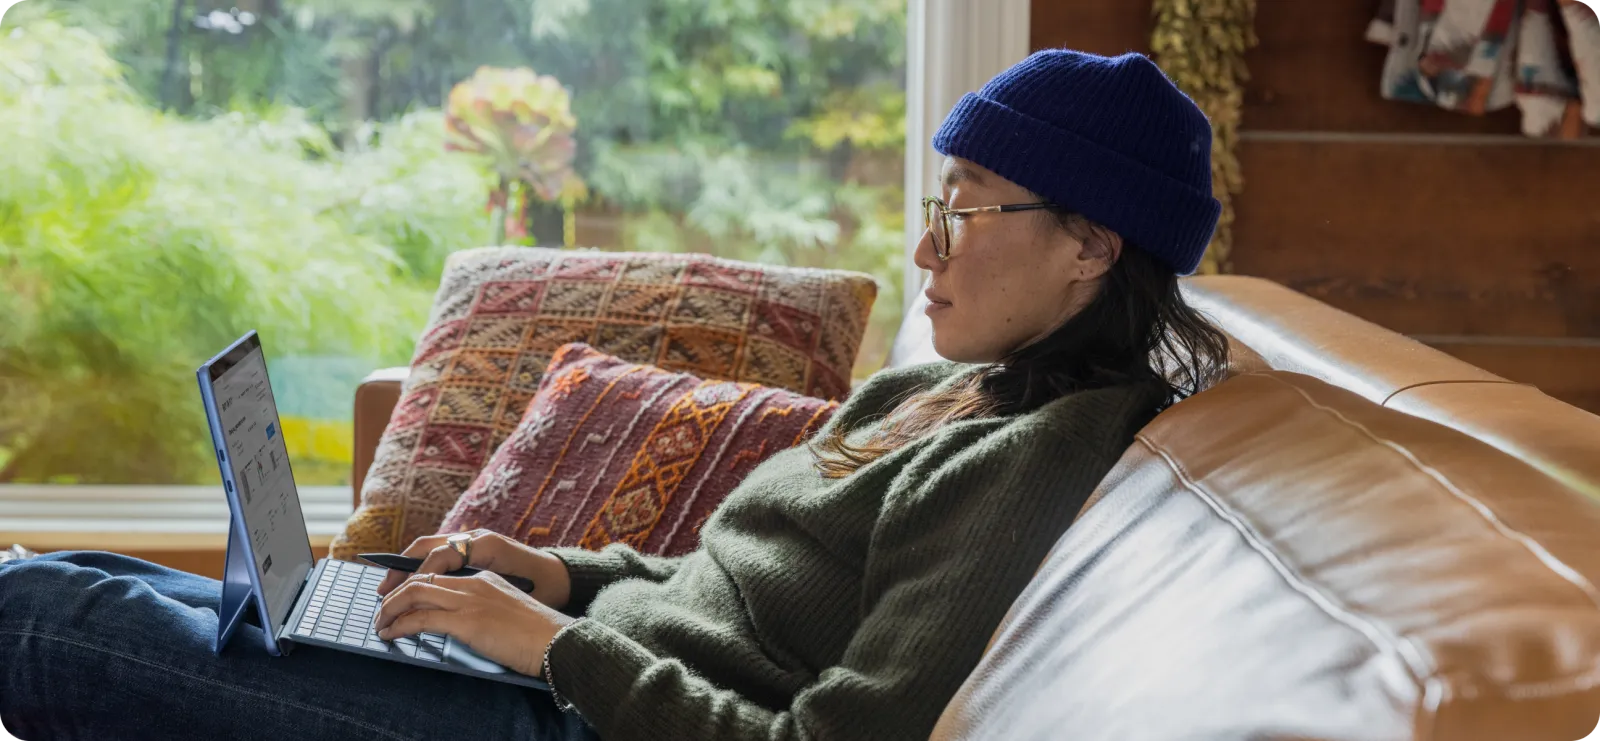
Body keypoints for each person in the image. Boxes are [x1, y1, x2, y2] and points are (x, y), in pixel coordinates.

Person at [0, 48, 1231, 741]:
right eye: (934, 206)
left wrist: (557, 648)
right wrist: (555, 573)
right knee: (100, 578)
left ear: (1091, 244)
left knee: (43, 615)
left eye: (965, 210)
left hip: (581, 723)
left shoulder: (1041, 454)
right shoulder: (941, 389)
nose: (926, 248)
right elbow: (732, 602)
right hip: (574, 673)